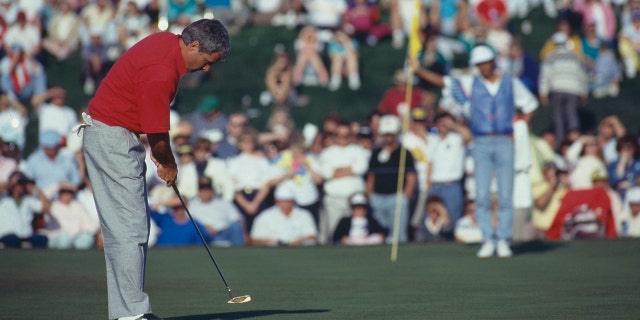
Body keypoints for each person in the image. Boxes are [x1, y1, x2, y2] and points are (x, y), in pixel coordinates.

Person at [80, 19, 230, 320]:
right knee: (130, 227)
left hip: (112, 132)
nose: (205, 69)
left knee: (128, 227)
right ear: (194, 45)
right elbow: (158, 136)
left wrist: (162, 158)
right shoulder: (160, 72)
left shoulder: (166, 42)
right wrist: (169, 164)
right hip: (112, 136)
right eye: (205, 61)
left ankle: (126, 312)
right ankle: (131, 314)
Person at [413, 44, 539, 257]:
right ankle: (488, 239)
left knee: (506, 194)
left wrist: (519, 129)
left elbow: (530, 105)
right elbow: (444, 82)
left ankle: (503, 240)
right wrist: (417, 71)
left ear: (492, 62)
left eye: (485, 63)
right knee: (481, 194)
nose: (482, 68)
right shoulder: (470, 83)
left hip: (504, 141)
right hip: (480, 142)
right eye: (478, 65)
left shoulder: (510, 82)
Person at [366, 114, 417, 244]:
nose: (388, 137)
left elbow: (411, 177)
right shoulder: (375, 153)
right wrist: (370, 197)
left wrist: (405, 197)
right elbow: (371, 177)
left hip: (397, 197)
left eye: (391, 134)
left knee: (399, 236)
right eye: (386, 134)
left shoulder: (404, 153)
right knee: (380, 234)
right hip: (378, 198)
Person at [318, 120, 369, 244]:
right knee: (334, 232)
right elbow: (326, 173)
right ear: (334, 136)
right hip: (334, 200)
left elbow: (361, 167)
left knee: (356, 233)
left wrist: (337, 171)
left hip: (356, 201)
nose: (343, 139)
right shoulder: (327, 153)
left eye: (346, 135)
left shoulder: (358, 150)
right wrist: (350, 169)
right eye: (339, 135)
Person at [538, 32, 589, 146]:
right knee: (572, 114)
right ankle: (575, 142)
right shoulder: (574, 57)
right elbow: (582, 75)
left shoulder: (550, 57)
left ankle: (561, 142)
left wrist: (543, 92)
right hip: (574, 90)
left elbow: (545, 76)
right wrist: (584, 92)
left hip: (557, 89)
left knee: (558, 116)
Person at [249, 184, 318, 246]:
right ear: (276, 201)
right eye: (283, 200)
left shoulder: (304, 215)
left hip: (299, 251)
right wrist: (273, 242)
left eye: (288, 200)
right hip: (273, 253)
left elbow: (312, 236)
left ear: (293, 201)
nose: (286, 204)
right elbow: (254, 240)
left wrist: (297, 242)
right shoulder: (264, 216)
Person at [187, 177, 245, 246]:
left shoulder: (223, 203)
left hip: (223, 233)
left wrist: (245, 235)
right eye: (202, 189)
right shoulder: (192, 205)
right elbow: (187, 222)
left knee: (236, 226)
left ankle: (238, 252)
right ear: (198, 191)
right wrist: (204, 227)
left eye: (208, 189)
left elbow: (237, 218)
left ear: (212, 190)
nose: (205, 192)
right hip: (203, 235)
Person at [41, 182, 99, 249]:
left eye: (69, 192)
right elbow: (42, 197)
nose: (66, 194)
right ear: (60, 193)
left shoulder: (77, 206)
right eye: (63, 192)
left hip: (75, 238)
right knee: (65, 240)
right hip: (57, 237)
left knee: (86, 239)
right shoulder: (52, 205)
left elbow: (87, 225)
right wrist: (58, 185)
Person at [0, 171, 49, 249]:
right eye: (18, 184)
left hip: (25, 235)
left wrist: (35, 187)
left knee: (42, 239)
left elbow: (46, 207)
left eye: (21, 184)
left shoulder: (28, 200)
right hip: (7, 235)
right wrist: (11, 183)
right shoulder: (3, 198)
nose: (19, 187)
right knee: (12, 239)